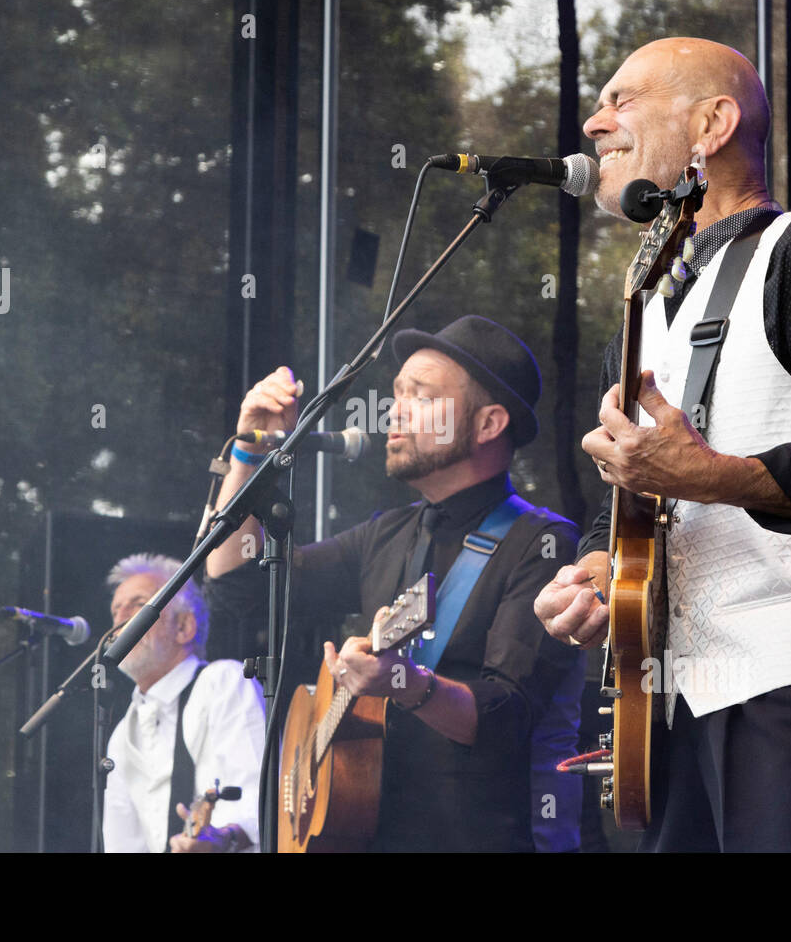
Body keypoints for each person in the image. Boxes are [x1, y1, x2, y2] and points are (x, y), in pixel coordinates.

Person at [534, 37, 791, 851]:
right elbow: (639, 512)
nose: (594, 120)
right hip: (676, 702)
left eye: (622, 99)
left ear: (714, 122)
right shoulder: (647, 308)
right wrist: (604, 570)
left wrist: (712, 475)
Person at [205, 315, 586, 852]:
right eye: (395, 394)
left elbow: (508, 718)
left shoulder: (544, 545)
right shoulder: (387, 535)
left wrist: (405, 683)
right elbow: (237, 582)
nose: (394, 411)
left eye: (421, 396)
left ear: (489, 424)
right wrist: (249, 449)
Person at [101, 553, 265, 853]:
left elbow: (262, 798)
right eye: (115, 610)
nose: (120, 618)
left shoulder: (223, 683)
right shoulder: (122, 735)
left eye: (138, 605)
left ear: (184, 627)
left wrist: (224, 837)